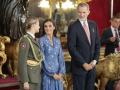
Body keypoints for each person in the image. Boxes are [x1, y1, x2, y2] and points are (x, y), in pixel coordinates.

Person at [67, 3, 100, 90]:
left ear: (88, 12)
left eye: (84, 12)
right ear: (77, 12)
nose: (81, 15)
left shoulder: (93, 25)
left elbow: (97, 44)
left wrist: (94, 61)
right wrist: (83, 64)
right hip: (79, 68)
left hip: (92, 68)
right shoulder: (73, 26)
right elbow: (71, 47)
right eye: (80, 12)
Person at [39, 19, 65, 90]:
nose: (48, 28)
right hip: (47, 75)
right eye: (45, 26)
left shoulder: (57, 40)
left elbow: (61, 58)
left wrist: (61, 73)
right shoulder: (41, 40)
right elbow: (42, 59)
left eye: (50, 26)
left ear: (54, 27)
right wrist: (52, 74)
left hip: (58, 74)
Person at [18, 17, 43, 90]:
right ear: (33, 25)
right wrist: (25, 81)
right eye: (38, 24)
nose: (39, 26)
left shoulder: (32, 39)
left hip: (35, 76)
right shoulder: (25, 40)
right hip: (29, 79)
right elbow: (22, 61)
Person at [101, 15, 120, 90]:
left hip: (118, 58)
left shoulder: (119, 31)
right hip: (110, 58)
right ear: (111, 21)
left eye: (119, 22)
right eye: (116, 22)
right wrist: (109, 40)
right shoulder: (106, 31)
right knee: (109, 78)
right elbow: (100, 42)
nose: (118, 24)